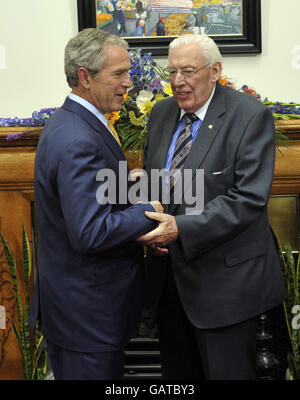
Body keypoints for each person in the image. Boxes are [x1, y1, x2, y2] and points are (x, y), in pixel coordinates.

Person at [137, 34, 287, 380]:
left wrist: (180, 229)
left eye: (188, 71)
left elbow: (248, 198)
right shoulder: (160, 114)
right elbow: (154, 182)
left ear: (215, 70)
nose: (177, 82)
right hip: (170, 286)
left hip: (227, 291)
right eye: (172, 72)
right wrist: (145, 224)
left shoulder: (249, 115)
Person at [29, 28, 163, 380]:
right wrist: (147, 212)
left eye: (129, 72)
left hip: (79, 311)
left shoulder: (72, 123)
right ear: (85, 77)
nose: (129, 83)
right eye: (119, 74)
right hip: (87, 318)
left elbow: (82, 203)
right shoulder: (79, 139)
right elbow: (89, 232)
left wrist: (123, 186)